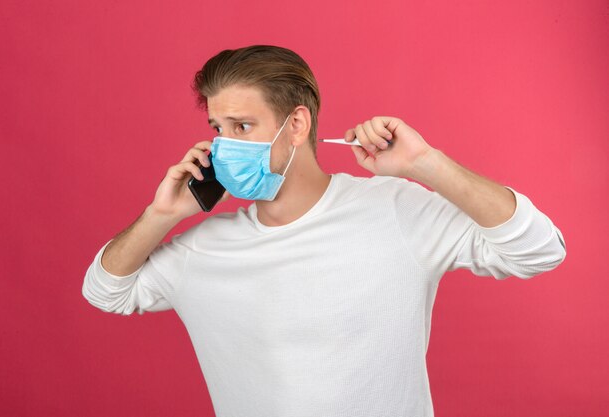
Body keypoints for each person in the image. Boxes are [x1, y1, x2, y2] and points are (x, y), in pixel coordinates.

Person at [82, 45, 566, 417]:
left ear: (296, 124)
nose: (224, 145)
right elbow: (106, 292)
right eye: (217, 127)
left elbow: (539, 250)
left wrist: (425, 164)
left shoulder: (394, 210)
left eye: (243, 125)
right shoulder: (204, 250)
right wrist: (162, 215)